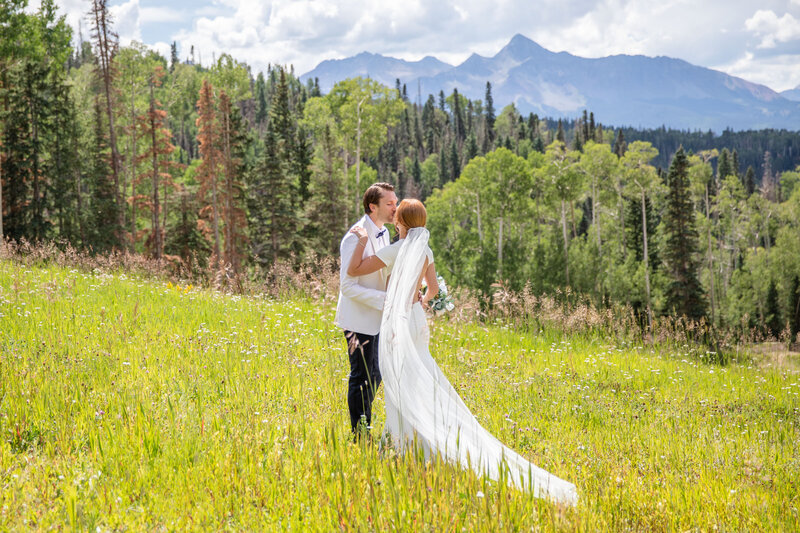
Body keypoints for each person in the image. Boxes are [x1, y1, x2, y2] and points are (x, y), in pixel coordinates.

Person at [348, 198, 578, 505]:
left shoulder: (395, 250)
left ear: (401, 222)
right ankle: (422, 441)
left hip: (398, 324)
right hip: (417, 321)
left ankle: (407, 447)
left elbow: (354, 270)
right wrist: (420, 299)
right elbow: (433, 290)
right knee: (422, 376)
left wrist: (362, 241)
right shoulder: (424, 251)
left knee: (400, 381)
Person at [335, 182, 397, 438]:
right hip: (359, 320)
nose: (395, 208)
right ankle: (359, 434)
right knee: (361, 377)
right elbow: (347, 286)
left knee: (377, 374)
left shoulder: (383, 232)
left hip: (378, 319)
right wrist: (384, 300)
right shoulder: (354, 237)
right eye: (389, 204)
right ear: (373, 206)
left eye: (395, 202)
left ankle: (364, 423)